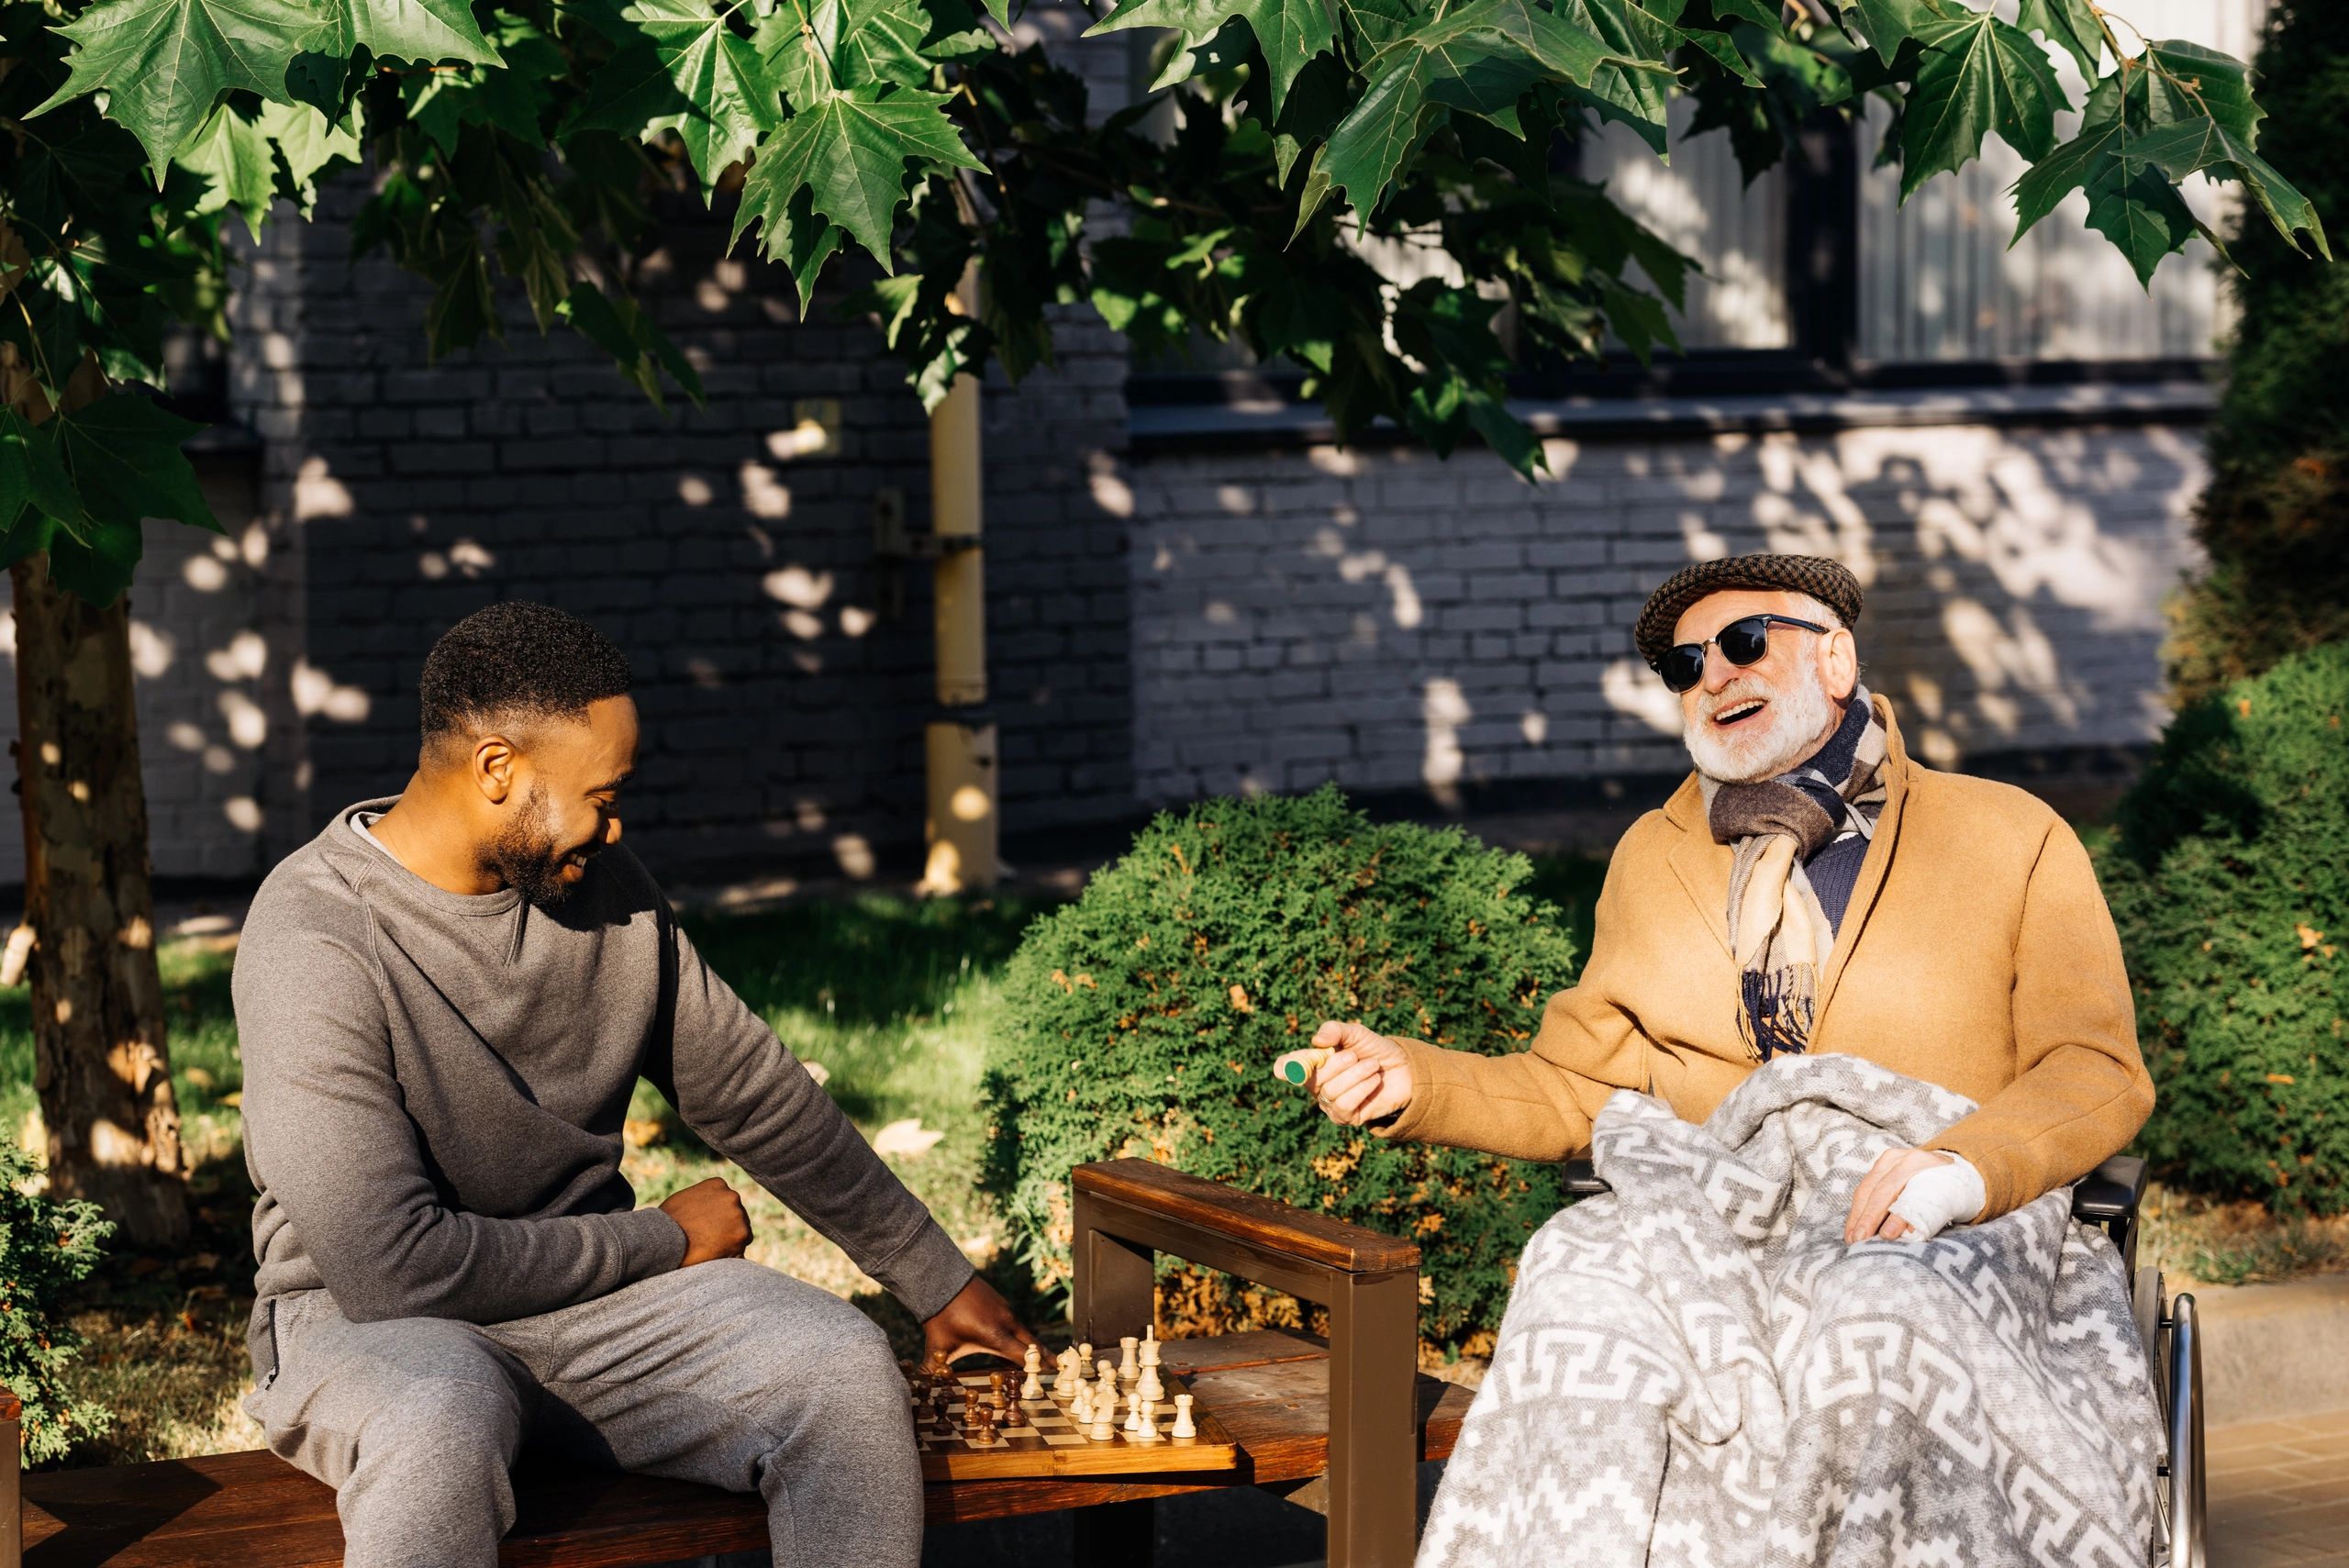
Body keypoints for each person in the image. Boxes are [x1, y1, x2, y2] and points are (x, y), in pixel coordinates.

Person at [234, 601, 1034, 1568]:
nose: (617, 825)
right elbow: (394, 1267)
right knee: (441, 1414)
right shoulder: (313, 934)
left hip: (599, 1312)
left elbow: (749, 1089)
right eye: (603, 794)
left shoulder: (596, 886)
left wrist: (934, 1275)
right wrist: (664, 1234)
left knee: (841, 1367)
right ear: (498, 768)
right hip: (373, 1327)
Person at [1305, 550, 2154, 1250]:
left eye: (1745, 641)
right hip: (1720, 1228)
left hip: (1945, 1225)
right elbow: (1577, 1085)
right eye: (1685, 664)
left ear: (1836, 657)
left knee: (1876, 1339)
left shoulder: (2008, 834)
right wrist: (1414, 1078)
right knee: (1567, 1285)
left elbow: (2095, 1066)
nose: (1713, 676)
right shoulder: (1653, 856)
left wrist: (1967, 1169)